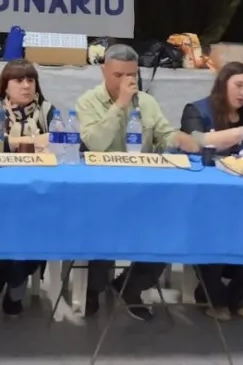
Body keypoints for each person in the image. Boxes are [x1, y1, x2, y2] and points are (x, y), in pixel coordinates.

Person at [75, 44, 199, 320]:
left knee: (170, 228)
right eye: (118, 75)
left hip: (143, 188)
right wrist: (120, 105)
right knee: (103, 229)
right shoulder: (88, 101)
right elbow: (94, 143)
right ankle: (94, 288)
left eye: (131, 75)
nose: (126, 81)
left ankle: (130, 286)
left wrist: (179, 139)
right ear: (103, 71)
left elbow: (164, 134)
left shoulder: (147, 102)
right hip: (102, 189)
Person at [180, 62, 243, 323]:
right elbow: (197, 143)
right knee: (212, 229)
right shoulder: (196, 110)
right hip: (209, 198)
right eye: (238, 85)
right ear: (223, 83)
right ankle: (214, 294)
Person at [0, 59, 56, 314]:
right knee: (18, 222)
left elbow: (59, 144)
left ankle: (10, 276)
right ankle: (14, 281)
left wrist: (13, 141)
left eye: (30, 80)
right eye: (19, 80)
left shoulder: (47, 110)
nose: (26, 86)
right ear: (5, 86)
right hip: (1, 192)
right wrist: (33, 140)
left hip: (40, 189)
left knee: (39, 223)